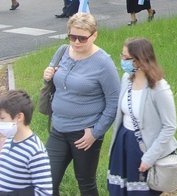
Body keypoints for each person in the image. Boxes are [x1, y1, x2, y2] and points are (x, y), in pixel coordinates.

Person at [43, 13, 121, 195]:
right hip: (58, 128)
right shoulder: (62, 51)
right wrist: (47, 75)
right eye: (72, 37)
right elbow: (56, 81)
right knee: (46, 181)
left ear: (94, 36)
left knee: (85, 183)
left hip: (84, 133)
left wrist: (95, 132)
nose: (76, 42)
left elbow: (114, 102)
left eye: (82, 38)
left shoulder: (103, 63)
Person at [107, 37, 177, 196]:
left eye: (127, 58)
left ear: (141, 60)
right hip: (124, 142)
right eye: (122, 56)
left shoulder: (159, 88)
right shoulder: (127, 79)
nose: (123, 61)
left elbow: (170, 126)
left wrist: (150, 157)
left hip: (144, 147)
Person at [0, 89, 53, 195]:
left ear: (19, 117)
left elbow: (44, 192)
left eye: (2, 118)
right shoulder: (9, 141)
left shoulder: (35, 151)